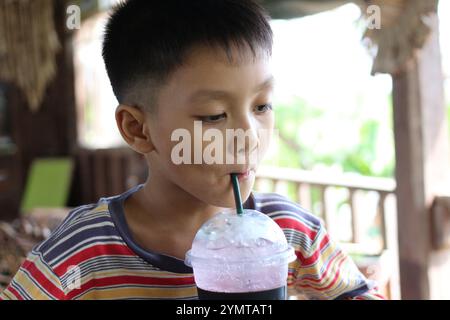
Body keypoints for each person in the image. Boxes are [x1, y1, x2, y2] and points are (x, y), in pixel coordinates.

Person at [1, 0, 384, 300]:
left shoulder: (290, 233)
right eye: (214, 115)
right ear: (138, 129)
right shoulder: (85, 249)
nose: (248, 136)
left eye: (262, 106)